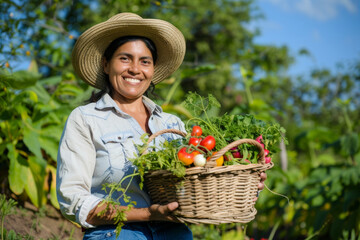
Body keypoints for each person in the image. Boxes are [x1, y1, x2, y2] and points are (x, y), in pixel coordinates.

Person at [56, 12, 266, 240]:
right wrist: (146, 214)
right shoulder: (85, 119)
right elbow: (73, 199)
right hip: (115, 233)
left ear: (153, 69)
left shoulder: (171, 124)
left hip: (174, 233)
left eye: (144, 61)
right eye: (125, 58)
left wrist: (242, 179)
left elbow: (195, 181)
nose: (135, 69)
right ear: (106, 65)